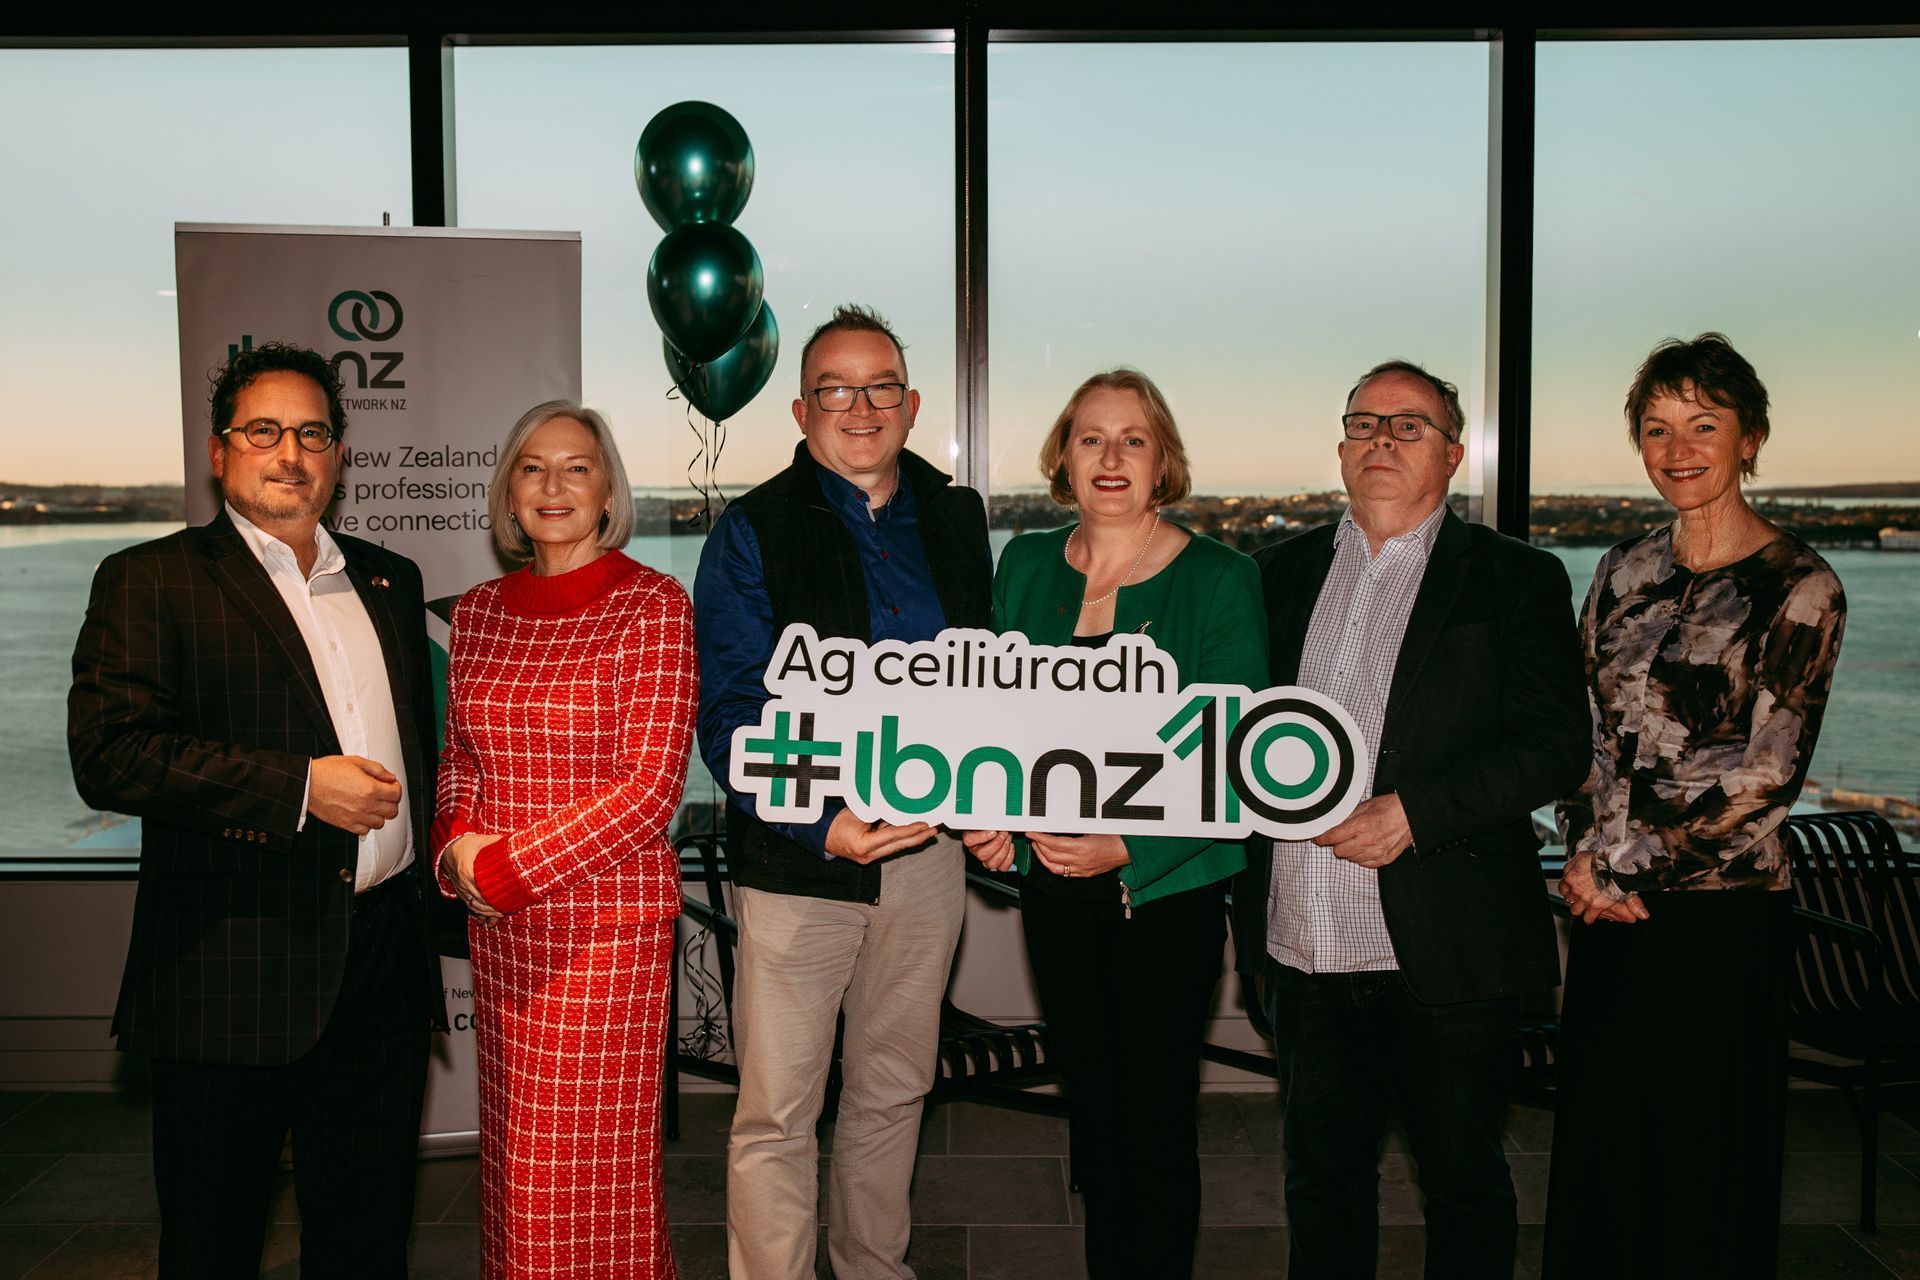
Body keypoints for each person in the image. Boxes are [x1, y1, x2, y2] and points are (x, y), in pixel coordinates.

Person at [68, 342, 446, 1279]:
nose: (292, 452)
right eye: (264, 430)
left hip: (378, 969)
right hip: (229, 972)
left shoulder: (390, 581)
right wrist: (301, 787)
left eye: (314, 432)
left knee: (366, 1238)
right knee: (214, 1240)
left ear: (339, 452)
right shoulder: (152, 579)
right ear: (218, 451)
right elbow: (111, 755)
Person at [1232, 359, 1590, 1280]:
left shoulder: (1517, 579)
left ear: (1455, 455)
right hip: (1302, 943)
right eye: (1364, 423)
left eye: (1408, 426)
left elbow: (1556, 745)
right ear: (1341, 446)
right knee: (1320, 1182)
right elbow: (1222, 730)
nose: (1381, 440)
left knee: (1464, 1184)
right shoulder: (1269, 576)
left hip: (1445, 944)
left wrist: (1417, 814)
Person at [695, 304, 992, 1280]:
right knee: (778, 1108)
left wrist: (996, 788)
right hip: (799, 860)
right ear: (800, 408)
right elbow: (732, 712)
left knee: (893, 1087)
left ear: (910, 405)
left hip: (930, 850)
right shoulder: (752, 528)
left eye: (878, 388)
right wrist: (823, 823)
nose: (858, 407)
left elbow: (990, 681)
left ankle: (875, 1268)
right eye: (835, 388)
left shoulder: (956, 516)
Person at [1544, 335, 1846, 1280]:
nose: (1678, 448)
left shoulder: (1801, 587)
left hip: (1717, 923)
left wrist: (1621, 865)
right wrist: (1584, 850)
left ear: (1749, 437)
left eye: (1702, 425)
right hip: (1608, 915)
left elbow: (1768, 777)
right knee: (1604, 1157)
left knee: (1700, 1170)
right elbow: (1580, 731)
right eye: (1657, 428)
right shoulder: (1619, 570)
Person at [960, 369, 1267, 1279]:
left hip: (1163, 896)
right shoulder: (1023, 565)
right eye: (1091, 438)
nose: (1111, 457)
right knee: (1093, 1114)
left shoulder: (1220, 578)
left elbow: (1238, 757)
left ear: (1163, 459)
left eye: (1133, 439)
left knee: (1155, 1121)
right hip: (1055, 897)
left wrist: (1130, 843)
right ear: (1064, 456)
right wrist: (994, 825)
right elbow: (992, 723)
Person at [434, 401, 697, 1279]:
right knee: (513, 1165)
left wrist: (504, 865)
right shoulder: (475, 612)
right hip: (500, 928)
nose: (554, 486)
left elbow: (649, 789)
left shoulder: (652, 605)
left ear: (608, 489)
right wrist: (452, 848)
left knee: (586, 1175)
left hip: (604, 934)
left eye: (577, 467)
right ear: (509, 492)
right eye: (534, 468)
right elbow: (459, 758)